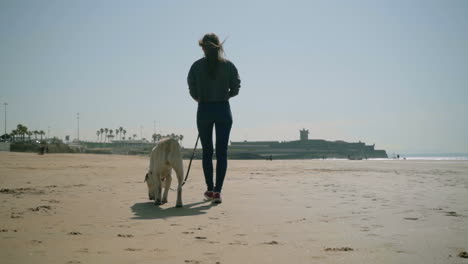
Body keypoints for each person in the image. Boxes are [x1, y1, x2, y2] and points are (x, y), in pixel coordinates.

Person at [187, 33, 241, 204]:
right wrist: (224, 95)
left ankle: (210, 189)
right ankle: (217, 192)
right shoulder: (229, 66)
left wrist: (203, 98)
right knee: (222, 152)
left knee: (207, 152)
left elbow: (192, 90)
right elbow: (236, 88)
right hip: (223, 108)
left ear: (203, 47)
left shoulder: (196, 66)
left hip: (204, 109)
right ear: (219, 47)